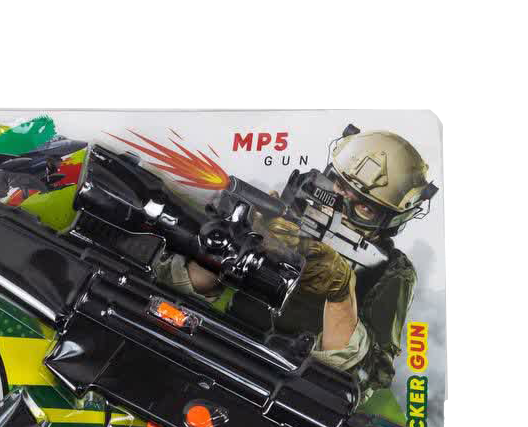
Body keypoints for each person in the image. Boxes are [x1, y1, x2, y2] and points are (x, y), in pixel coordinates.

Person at [157, 128, 437, 399]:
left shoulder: (392, 271)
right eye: (339, 186)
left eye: (364, 208)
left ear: (391, 220)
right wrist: (231, 238)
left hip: (284, 390)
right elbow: (179, 288)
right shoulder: (295, 206)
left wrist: (340, 292)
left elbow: (362, 381)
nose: (338, 206)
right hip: (213, 344)